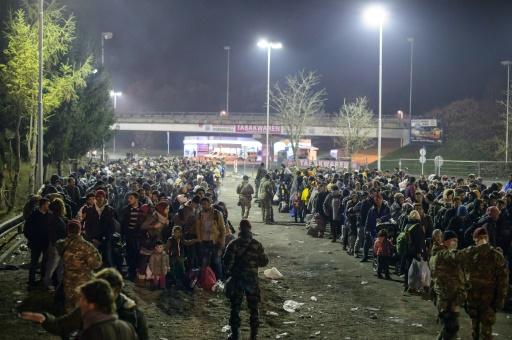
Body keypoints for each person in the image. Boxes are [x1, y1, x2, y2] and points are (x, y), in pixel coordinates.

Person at [21, 268, 148, 340]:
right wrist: (45, 319)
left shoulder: (133, 313)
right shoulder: (90, 308)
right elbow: (64, 325)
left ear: (116, 290)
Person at [223, 220, 269, 340]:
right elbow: (264, 261)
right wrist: (253, 264)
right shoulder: (257, 244)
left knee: (235, 308)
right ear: (250, 228)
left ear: (239, 229)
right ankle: (253, 336)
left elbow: (227, 263)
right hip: (252, 280)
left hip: (237, 280)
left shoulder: (233, 244)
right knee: (253, 309)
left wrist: (231, 272)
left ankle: (235, 334)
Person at [461, 227, 509, 340]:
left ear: (475, 239)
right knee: (486, 333)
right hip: (489, 301)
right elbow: (503, 281)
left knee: (475, 331)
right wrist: (500, 300)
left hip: (472, 299)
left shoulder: (469, 253)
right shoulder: (496, 256)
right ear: (487, 238)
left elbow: (461, 274)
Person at [57, 220, 102, 311]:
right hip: (83, 281)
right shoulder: (87, 246)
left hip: (68, 280)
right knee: (83, 307)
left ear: (68, 230)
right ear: (80, 230)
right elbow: (96, 264)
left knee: (69, 305)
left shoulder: (61, 244)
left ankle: (69, 322)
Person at [429, 230, 465, 340]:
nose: (456, 243)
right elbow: (456, 257)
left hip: (447, 297)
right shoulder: (443, 254)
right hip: (448, 299)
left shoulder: (438, 253)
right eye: (454, 241)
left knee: (448, 330)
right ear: (446, 241)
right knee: (451, 329)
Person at [83, 189, 116, 267]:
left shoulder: (110, 210)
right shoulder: (90, 210)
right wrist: (92, 238)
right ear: (95, 198)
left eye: (102, 197)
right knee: (92, 261)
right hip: (93, 240)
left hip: (105, 240)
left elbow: (112, 227)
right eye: (98, 197)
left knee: (107, 260)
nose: (100, 199)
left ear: (104, 198)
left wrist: (105, 238)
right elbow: (87, 226)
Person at [195, 197, 226, 279]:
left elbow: (222, 229)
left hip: (215, 241)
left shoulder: (217, 214)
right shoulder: (199, 214)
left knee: (216, 261)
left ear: (209, 204)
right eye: (202, 204)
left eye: (205, 204)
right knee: (204, 263)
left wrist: (222, 242)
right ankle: (207, 280)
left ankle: (220, 280)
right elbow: (197, 228)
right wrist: (199, 239)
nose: (203, 206)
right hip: (204, 241)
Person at [24, 197, 52, 287]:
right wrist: (32, 239)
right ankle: (31, 281)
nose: (49, 206)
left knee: (45, 261)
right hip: (36, 244)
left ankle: (42, 279)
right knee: (34, 262)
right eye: (48, 204)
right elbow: (26, 230)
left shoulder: (49, 215)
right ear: (43, 205)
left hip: (46, 243)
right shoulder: (33, 216)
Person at [120, 191, 145, 280]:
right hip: (129, 235)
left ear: (136, 199)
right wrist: (122, 235)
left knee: (138, 254)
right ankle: (131, 272)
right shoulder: (126, 209)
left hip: (139, 235)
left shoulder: (143, 209)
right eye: (128, 198)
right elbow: (122, 224)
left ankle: (137, 272)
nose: (129, 200)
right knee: (129, 253)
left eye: (131, 198)